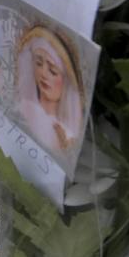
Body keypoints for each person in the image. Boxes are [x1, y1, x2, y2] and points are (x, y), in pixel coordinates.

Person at [13, 26, 84, 164]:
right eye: (39, 63)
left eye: (52, 70)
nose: (43, 73)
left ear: (67, 81)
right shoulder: (22, 107)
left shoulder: (67, 135)